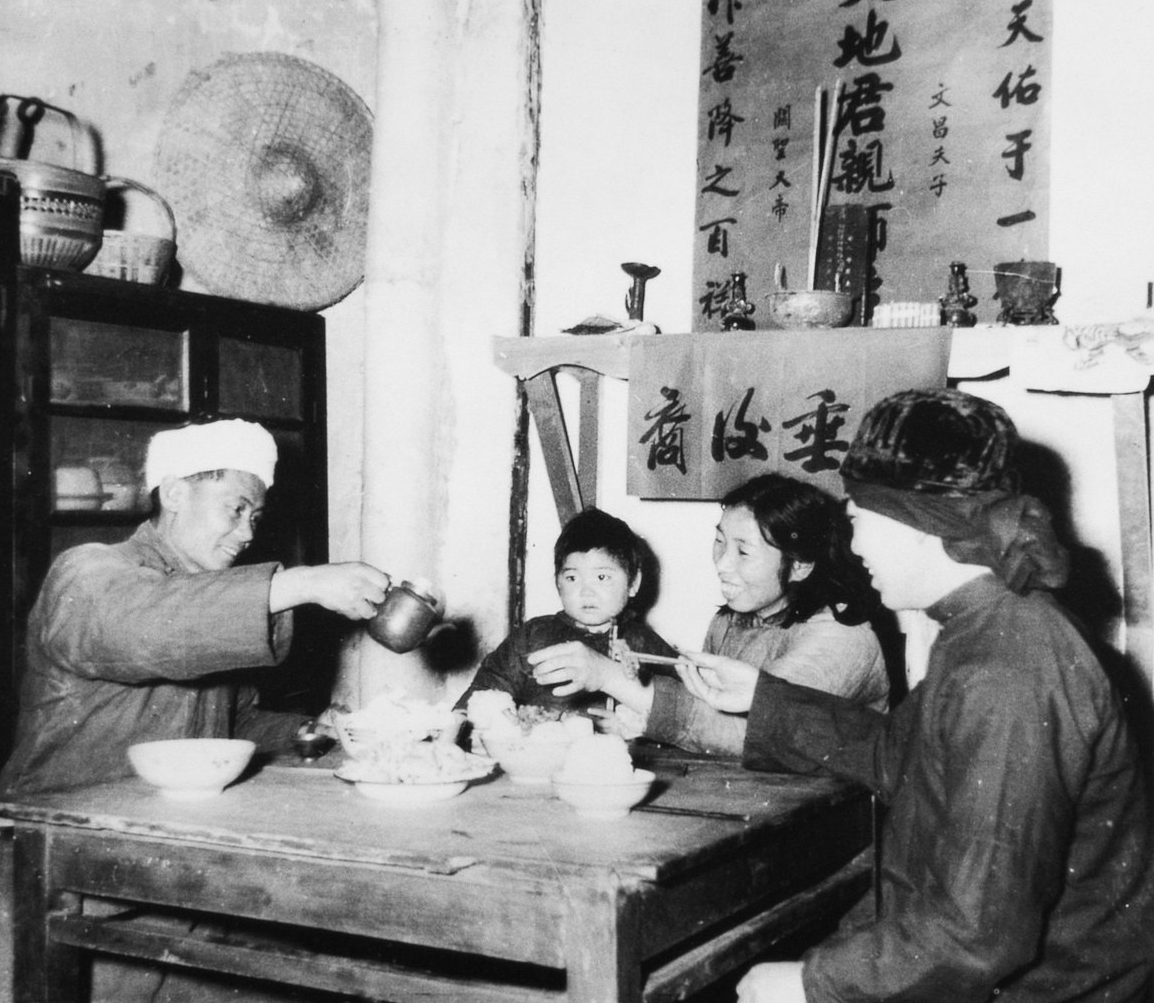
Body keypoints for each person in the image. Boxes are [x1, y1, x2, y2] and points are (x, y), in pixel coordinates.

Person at [684, 389, 1154, 1003]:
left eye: (858, 523)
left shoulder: (1007, 667)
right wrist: (764, 698)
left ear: (922, 528)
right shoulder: (989, 625)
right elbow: (899, 756)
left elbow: (978, 934)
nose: (852, 549)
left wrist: (810, 983)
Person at [0, 417, 392, 1001]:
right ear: (174, 492)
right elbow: (143, 627)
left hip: (171, 871)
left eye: (255, 516)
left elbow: (230, 724)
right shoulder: (91, 571)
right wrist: (297, 584)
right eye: (235, 508)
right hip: (64, 876)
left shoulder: (204, 592)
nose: (247, 532)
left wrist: (313, 730)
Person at [592, 474, 891, 756]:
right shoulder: (728, 622)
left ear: (800, 566)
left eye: (743, 552)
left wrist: (608, 676)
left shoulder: (841, 636)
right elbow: (702, 715)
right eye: (720, 542)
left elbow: (752, 733)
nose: (722, 564)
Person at [455, 507, 676, 716]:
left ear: (633, 583)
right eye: (572, 578)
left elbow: (679, 711)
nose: (586, 592)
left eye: (602, 577)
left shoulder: (645, 645)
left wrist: (637, 723)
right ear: (557, 582)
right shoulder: (533, 636)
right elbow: (483, 693)